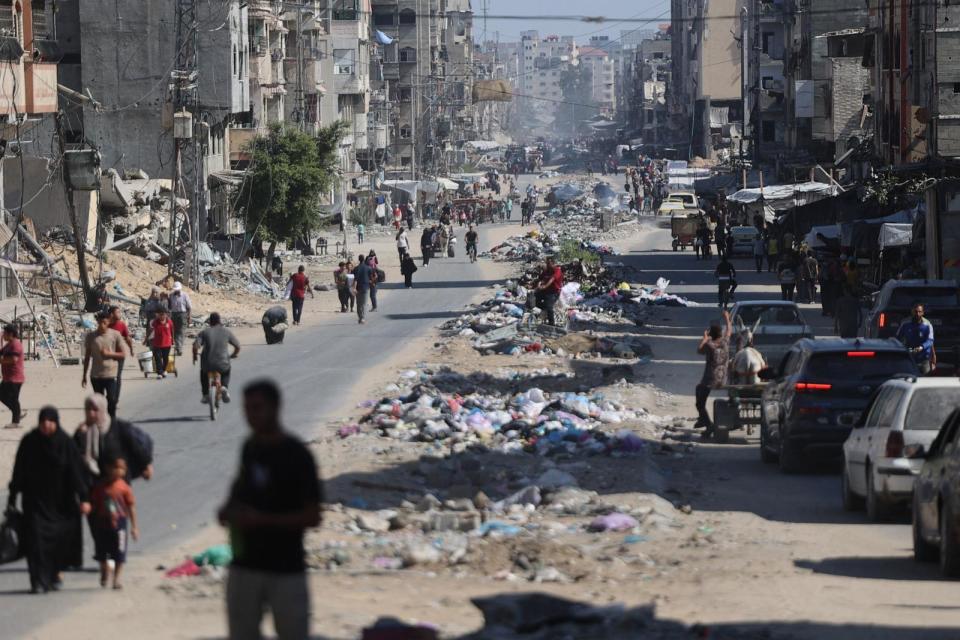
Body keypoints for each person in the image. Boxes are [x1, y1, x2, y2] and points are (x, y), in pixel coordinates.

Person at [218, 380, 322, 640]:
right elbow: (240, 489)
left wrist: (263, 520)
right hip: (245, 566)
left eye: (257, 408)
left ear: (276, 408)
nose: (251, 415)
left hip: (286, 567)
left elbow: (312, 516)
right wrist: (228, 510)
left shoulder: (297, 455)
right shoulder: (250, 448)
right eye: (247, 409)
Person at [7, 407, 91, 594]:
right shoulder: (30, 442)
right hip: (35, 502)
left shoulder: (65, 443)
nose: (46, 424)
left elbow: (76, 472)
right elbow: (19, 470)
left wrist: (84, 498)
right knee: (35, 542)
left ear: (56, 422)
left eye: (50, 421)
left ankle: (55, 575)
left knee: (59, 542)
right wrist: (12, 497)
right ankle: (37, 581)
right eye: (43, 421)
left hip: (62, 504)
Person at [74, 394, 154, 484]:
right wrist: (82, 436)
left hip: (118, 481)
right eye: (88, 409)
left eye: (95, 410)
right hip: (93, 482)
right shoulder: (82, 431)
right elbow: (74, 456)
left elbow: (135, 445)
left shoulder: (119, 427)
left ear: (103, 410)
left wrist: (146, 465)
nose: (90, 413)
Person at [89, 457, 138, 590]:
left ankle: (116, 580)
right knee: (101, 552)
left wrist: (134, 527)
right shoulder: (100, 487)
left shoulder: (124, 488)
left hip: (120, 524)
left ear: (125, 471)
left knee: (119, 553)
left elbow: (131, 506)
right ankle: (104, 570)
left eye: (121, 468)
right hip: (102, 523)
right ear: (107, 468)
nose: (118, 471)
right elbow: (93, 504)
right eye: (115, 467)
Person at [83, 312, 127, 419]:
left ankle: (112, 420)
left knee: (112, 399)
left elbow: (123, 354)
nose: (102, 325)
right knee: (99, 402)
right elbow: (87, 357)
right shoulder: (91, 337)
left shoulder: (115, 335)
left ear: (108, 322)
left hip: (111, 374)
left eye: (104, 322)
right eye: (100, 322)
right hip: (96, 375)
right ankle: (102, 421)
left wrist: (110, 354)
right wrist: (84, 375)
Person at [696, 310, 732, 438]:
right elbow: (729, 331)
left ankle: (708, 424)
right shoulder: (725, 342)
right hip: (723, 378)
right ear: (720, 333)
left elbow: (699, 351)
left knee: (699, 403)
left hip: (710, 380)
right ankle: (702, 420)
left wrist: (704, 339)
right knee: (698, 389)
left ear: (711, 334)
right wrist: (727, 318)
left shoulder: (710, 345)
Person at [194, 312, 241, 404]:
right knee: (227, 370)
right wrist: (234, 354)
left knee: (203, 374)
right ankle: (224, 386)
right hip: (223, 363)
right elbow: (238, 346)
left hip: (207, 363)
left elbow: (196, 346)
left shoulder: (204, 332)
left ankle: (205, 394)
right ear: (219, 321)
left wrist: (195, 356)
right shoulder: (226, 332)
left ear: (210, 322)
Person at [896, 302, 935, 374]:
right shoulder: (905, 323)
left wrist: (921, 347)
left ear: (923, 313)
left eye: (919, 312)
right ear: (912, 312)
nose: (917, 314)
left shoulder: (927, 324)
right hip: (910, 358)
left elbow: (930, 340)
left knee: (925, 381)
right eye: (915, 312)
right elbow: (898, 338)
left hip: (924, 359)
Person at [0, 324, 26, 429]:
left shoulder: (16, 344)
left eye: (5, 333)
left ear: (10, 334)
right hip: (7, 377)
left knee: (13, 399)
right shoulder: (8, 345)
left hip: (15, 378)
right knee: (2, 396)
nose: (3, 335)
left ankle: (16, 421)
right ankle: (17, 413)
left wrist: (1, 360)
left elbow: (13, 359)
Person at [108, 306, 134, 405]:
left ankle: (115, 398)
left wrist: (131, 349)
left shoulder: (122, 325)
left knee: (117, 376)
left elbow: (127, 338)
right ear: (111, 314)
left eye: (120, 312)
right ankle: (110, 395)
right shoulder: (106, 325)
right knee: (109, 376)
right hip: (108, 355)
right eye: (117, 312)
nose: (120, 314)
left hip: (119, 354)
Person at [535, 257, 564, 327]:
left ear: (553, 264)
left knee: (549, 307)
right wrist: (539, 284)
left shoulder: (557, 270)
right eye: (547, 263)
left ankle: (551, 324)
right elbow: (540, 278)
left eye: (549, 263)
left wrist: (544, 286)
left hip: (554, 292)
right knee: (535, 299)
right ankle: (545, 311)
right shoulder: (546, 270)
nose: (547, 265)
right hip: (545, 291)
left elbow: (552, 279)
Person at [167, 281, 192, 356]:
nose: (176, 291)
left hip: (182, 315)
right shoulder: (171, 296)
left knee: (181, 332)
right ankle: (179, 347)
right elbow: (169, 306)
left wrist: (189, 317)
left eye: (177, 290)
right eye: (175, 290)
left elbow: (189, 307)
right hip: (174, 315)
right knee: (174, 332)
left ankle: (179, 348)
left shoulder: (185, 295)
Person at [149, 308, 174, 379]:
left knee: (165, 358)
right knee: (157, 358)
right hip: (157, 343)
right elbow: (151, 330)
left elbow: (172, 330)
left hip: (167, 343)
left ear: (166, 314)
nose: (161, 316)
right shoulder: (155, 322)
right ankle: (159, 373)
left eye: (163, 314)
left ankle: (164, 370)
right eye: (160, 315)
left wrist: (173, 340)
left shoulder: (169, 322)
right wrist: (146, 339)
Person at [352, 256, 373, 325]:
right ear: (364, 260)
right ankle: (362, 318)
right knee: (364, 304)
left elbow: (354, 279)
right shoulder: (368, 268)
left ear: (359, 260)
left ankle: (360, 317)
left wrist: (354, 288)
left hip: (358, 288)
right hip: (365, 287)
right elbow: (371, 277)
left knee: (358, 304)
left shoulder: (356, 268)